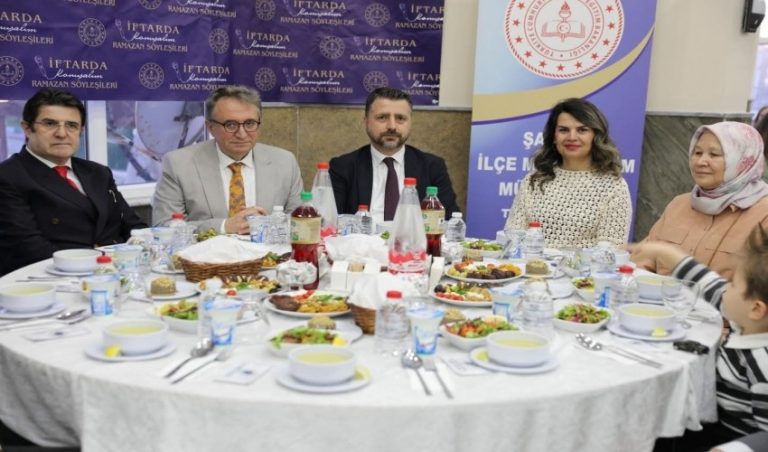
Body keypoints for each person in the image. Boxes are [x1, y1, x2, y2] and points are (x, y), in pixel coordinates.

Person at [630, 225, 768, 452]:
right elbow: (707, 282)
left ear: (756, 308)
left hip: (724, 436)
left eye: (732, 284)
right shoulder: (747, 319)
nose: (724, 288)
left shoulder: (762, 362)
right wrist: (664, 252)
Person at [0, 88, 146, 275]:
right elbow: (29, 247)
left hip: (117, 273)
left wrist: (142, 248)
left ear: (81, 131)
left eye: (71, 125)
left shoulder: (98, 173)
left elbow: (133, 226)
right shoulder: (8, 176)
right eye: (50, 123)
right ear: (27, 128)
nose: (62, 133)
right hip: (50, 278)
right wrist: (102, 264)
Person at [152, 85, 303, 234]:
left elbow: (301, 222)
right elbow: (164, 226)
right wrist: (224, 227)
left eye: (250, 123)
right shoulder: (179, 164)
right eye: (230, 125)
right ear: (210, 127)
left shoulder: (285, 162)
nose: (242, 134)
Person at [639, 121, 768, 281]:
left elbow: (759, 287)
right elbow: (643, 259)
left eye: (714, 154)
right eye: (697, 152)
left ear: (743, 160)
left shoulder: (763, 213)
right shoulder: (679, 204)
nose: (701, 162)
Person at [505, 98, 631, 248]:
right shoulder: (533, 180)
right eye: (563, 130)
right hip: (532, 263)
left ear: (596, 136)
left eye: (582, 130)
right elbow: (512, 236)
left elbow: (611, 249)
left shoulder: (614, 187)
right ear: (554, 137)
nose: (572, 137)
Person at [329, 87, 459, 225]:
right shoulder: (343, 167)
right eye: (382, 117)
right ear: (366, 121)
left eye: (400, 118)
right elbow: (330, 223)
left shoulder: (432, 167)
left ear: (410, 123)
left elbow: (449, 221)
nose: (392, 126)